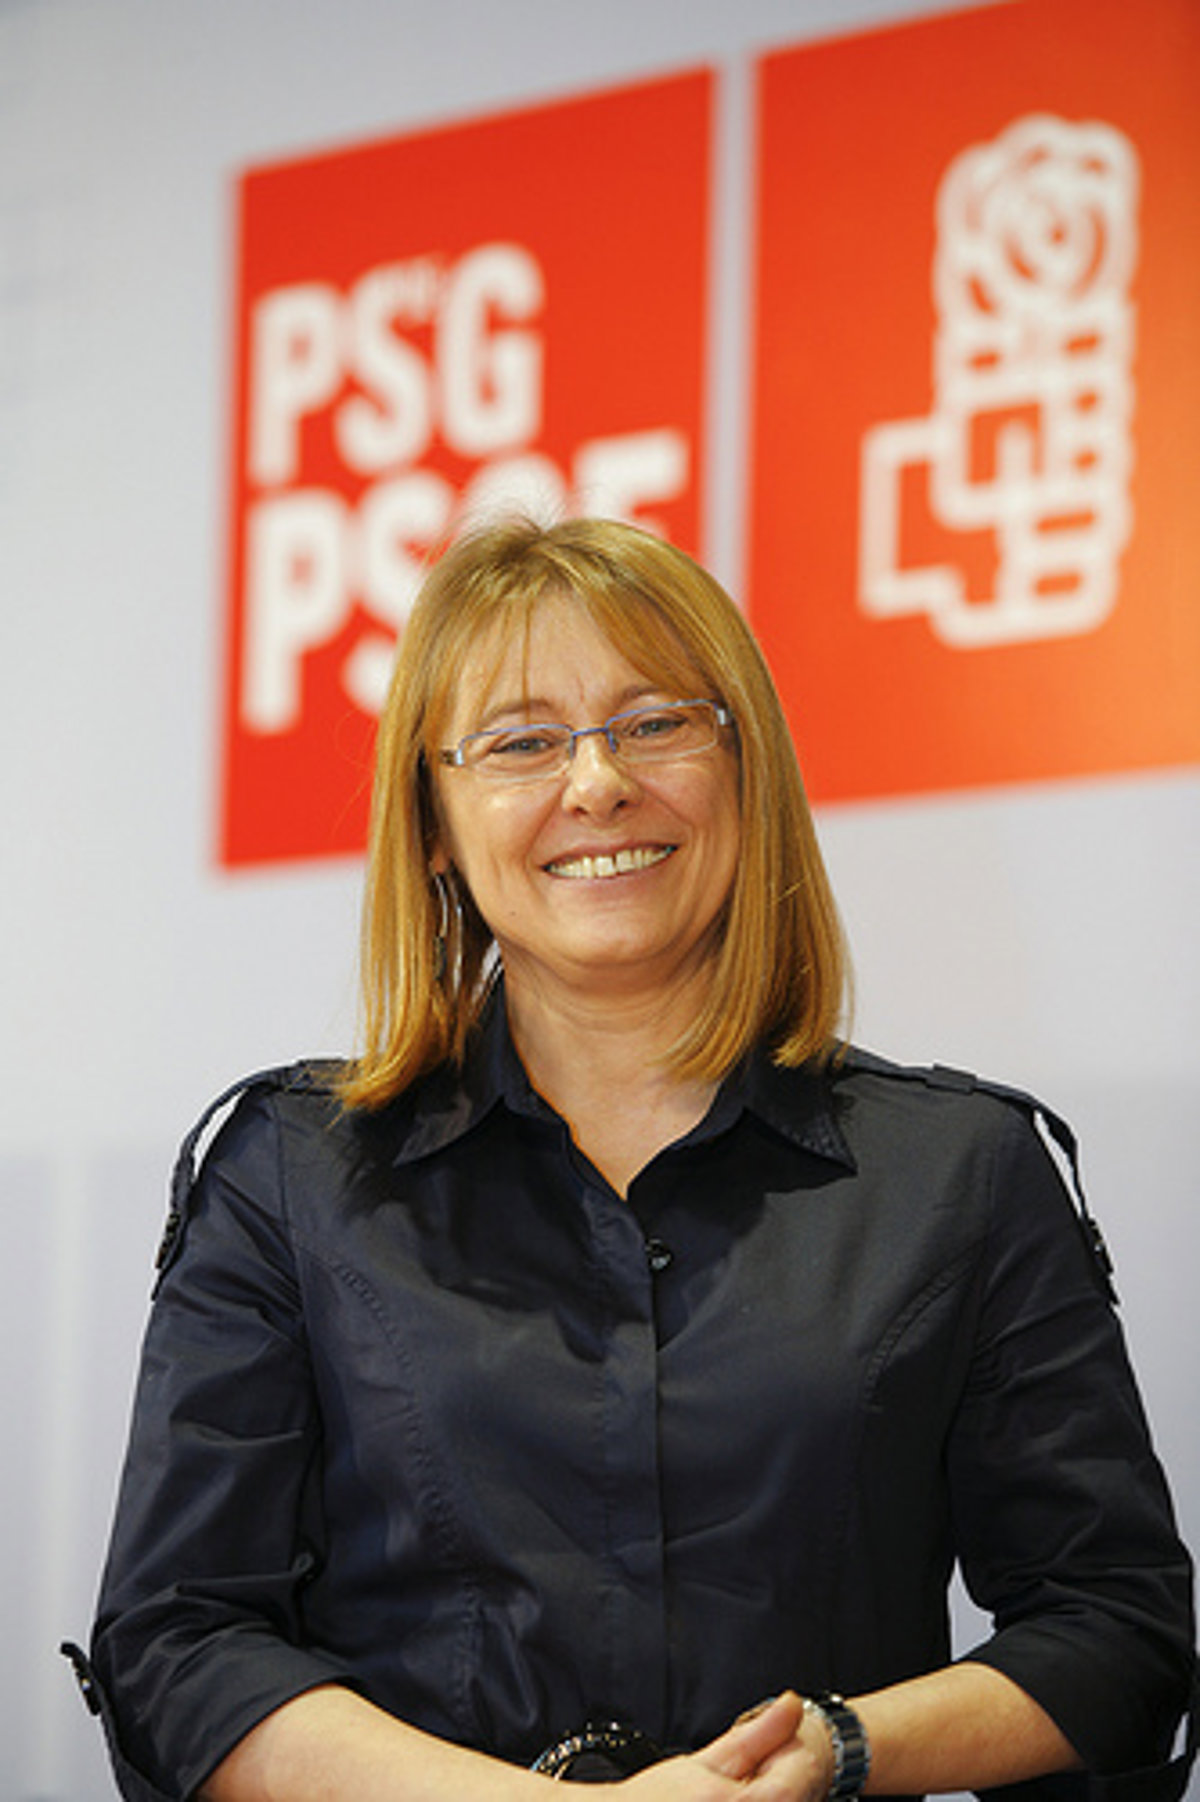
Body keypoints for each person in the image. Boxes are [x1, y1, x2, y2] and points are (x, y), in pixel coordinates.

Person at [72, 516, 1195, 1802]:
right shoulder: (289, 1176)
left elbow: (1116, 1629)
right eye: (522, 741)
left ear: (745, 769)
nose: (598, 782)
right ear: (434, 822)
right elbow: (181, 1640)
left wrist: (837, 1748)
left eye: (655, 722)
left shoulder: (964, 1171)